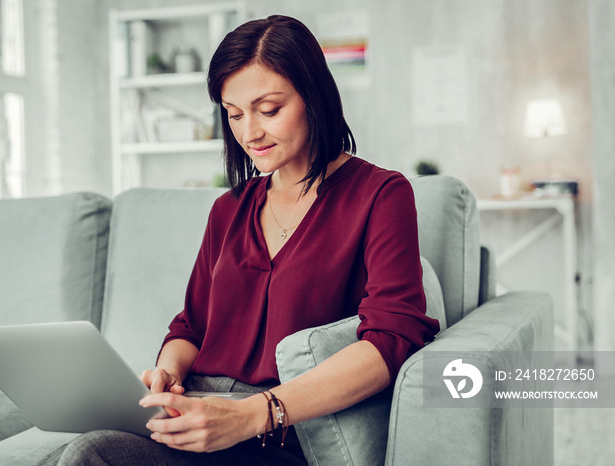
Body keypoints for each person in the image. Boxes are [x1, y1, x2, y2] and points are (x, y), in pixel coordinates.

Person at [49, 14, 439, 465]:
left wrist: (255, 414)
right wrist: (168, 373)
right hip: (200, 411)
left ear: (314, 97)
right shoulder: (228, 209)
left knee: (91, 455)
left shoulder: (381, 195)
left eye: (269, 110)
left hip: (282, 429)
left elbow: (392, 340)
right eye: (234, 115)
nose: (249, 132)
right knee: (84, 450)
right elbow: (190, 328)